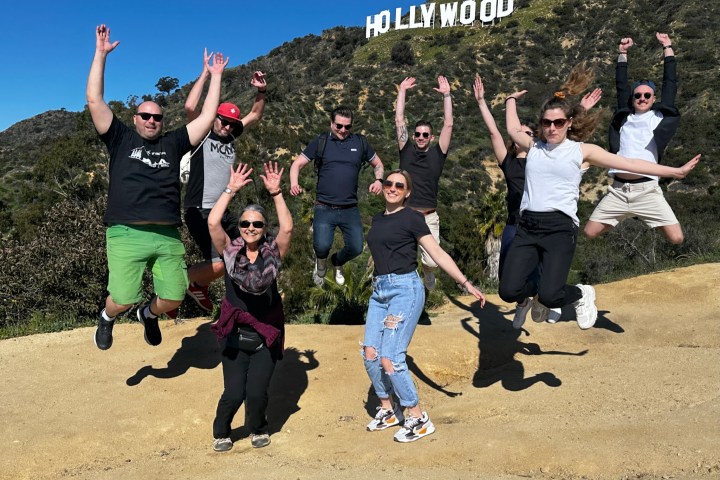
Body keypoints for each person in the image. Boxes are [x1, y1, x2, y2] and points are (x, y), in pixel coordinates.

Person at [499, 79, 699, 331]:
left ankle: (581, 294)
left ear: (569, 123)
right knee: (508, 291)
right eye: (546, 122)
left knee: (553, 296)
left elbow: (631, 163)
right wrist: (510, 100)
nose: (552, 128)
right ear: (541, 125)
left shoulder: (582, 151)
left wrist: (675, 172)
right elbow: (512, 128)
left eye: (558, 122)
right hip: (527, 227)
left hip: (559, 229)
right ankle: (536, 296)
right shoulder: (534, 146)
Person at [87, 25, 227, 350]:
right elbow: (94, 99)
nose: (152, 120)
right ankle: (107, 318)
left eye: (157, 117)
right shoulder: (120, 138)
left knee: (174, 296)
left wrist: (215, 74)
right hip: (125, 232)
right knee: (120, 298)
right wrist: (101, 54)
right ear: (135, 118)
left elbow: (207, 116)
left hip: (167, 234)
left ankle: (148, 315)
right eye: (145, 115)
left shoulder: (174, 142)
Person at [362, 169, 485, 443]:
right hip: (379, 290)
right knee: (370, 353)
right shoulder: (378, 219)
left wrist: (466, 283)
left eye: (399, 185)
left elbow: (437, 253)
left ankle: (417, 418)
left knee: (390, 357)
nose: (392, 187)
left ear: (407, 193)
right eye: (389, 183)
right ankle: (388, 409)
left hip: (405, 289)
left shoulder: (413, 218)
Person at [473, 72, 601, 325]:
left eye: (528, 131)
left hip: (551, 223)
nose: (523, 133)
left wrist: (581, 110)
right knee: (511, 282)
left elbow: (567, 140)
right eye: (520, 131)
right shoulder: (508, 162)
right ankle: (526, 302)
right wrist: (483, 102)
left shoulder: (544, 155)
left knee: (548, 274)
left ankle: (550, 303)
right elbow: (495, 132)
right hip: (516, 226)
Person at [208, 161, 292, 452]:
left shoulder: (274, 252)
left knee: (256, 394)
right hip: (234, 336)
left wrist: (276, 192)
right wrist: (230, 188)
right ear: (240, 228)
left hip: (264, 336)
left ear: (264, 228)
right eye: (245, 224)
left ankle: (258, 427)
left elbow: (288, 228)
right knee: (233, 394)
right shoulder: (229, 251)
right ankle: (222, 431)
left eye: (257, 223)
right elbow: (212, 223)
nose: (251, 228)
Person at [177, 53, 267, 318]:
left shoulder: (232, 135)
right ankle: (182, 282)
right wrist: (206, 72)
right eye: (222, 120)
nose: (226, 126)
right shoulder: (202, 133)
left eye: (230, 123)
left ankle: (222, 299)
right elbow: (190, 106)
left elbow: (255, 114)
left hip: (222, 210)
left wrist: (261, 90)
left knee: (246, 253)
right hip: (199, 209)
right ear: (214, 117)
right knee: (220, 263)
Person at [585, 33, 684, 244]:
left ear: (654, 99)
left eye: (647, 95)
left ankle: (645, 217)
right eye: (638, 95)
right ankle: (623, 215)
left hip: (647, 189)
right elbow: (620, 85)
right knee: (589, 232)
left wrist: (667, 47)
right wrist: (622, 53)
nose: (642, 98)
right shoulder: (624, 117)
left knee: (676, 238)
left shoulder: (658, 117)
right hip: (619, 190)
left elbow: (670, 82)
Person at [289, 106, 384, 287]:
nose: (342, 130)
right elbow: (297, 165)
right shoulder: (321, 141)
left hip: (350, 208)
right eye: (338, 126)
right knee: (322, 246)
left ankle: (337, 262)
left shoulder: (360, 143)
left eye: (347, 127)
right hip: (324, 206)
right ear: (331, 123)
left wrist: (379, 180)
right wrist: (294, 183)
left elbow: (378, 164)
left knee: (356, 248)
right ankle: (321, 261)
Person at [395, 76, 452, 290]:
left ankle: (428, 271)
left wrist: (446, 95)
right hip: (406, 215)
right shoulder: (406, 151)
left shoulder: (439, 154)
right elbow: (399, 120)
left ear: (431, 137)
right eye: (417, 134)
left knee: (431, 260)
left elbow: (448, 124)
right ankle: (408, 290)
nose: (420, 137)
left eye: (424, 134)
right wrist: (402, 90)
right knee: (403, 260)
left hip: (429, 217)